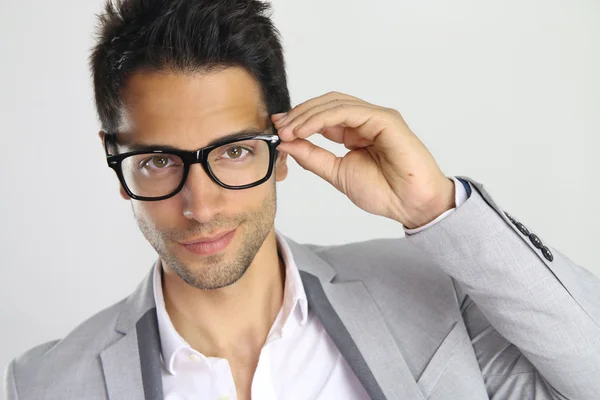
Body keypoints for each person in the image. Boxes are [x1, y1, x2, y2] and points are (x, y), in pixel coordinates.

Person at [4, 0, 600, 399]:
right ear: (114, 159)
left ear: (283, 147)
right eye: (159, 162)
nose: (201, 206)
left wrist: (435, 207)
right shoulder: (46, 383)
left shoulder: (438, 294)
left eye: (234, 151)